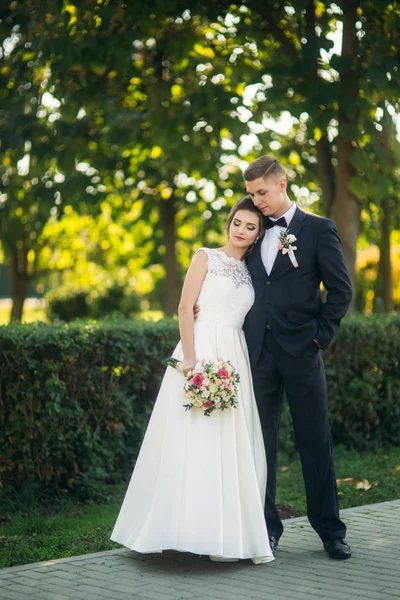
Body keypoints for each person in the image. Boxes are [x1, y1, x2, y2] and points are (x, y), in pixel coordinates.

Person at [110, 196, 274, 564]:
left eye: (251, 227)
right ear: (229, 222)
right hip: (199, 348)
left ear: (258, 233)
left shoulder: (251, 272)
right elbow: (185, 306)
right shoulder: (205, 256)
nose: (242, 231)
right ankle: (173, 530)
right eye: (238, 223)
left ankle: (227, 534)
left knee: (229, 442)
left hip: (235, 354)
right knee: (190, 439)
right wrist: (189, 358)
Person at [243, 155, 353, 559]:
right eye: (251, 194)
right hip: (259, 355)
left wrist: (319, 339)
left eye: (262, 192)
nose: (256, 202)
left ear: (282, 184)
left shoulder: (318, 229)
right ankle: (266, 530)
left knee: (315, 441)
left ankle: (330, 531)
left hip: (303, 352)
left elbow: (340, 291)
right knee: (261, 444)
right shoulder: (252, 230)